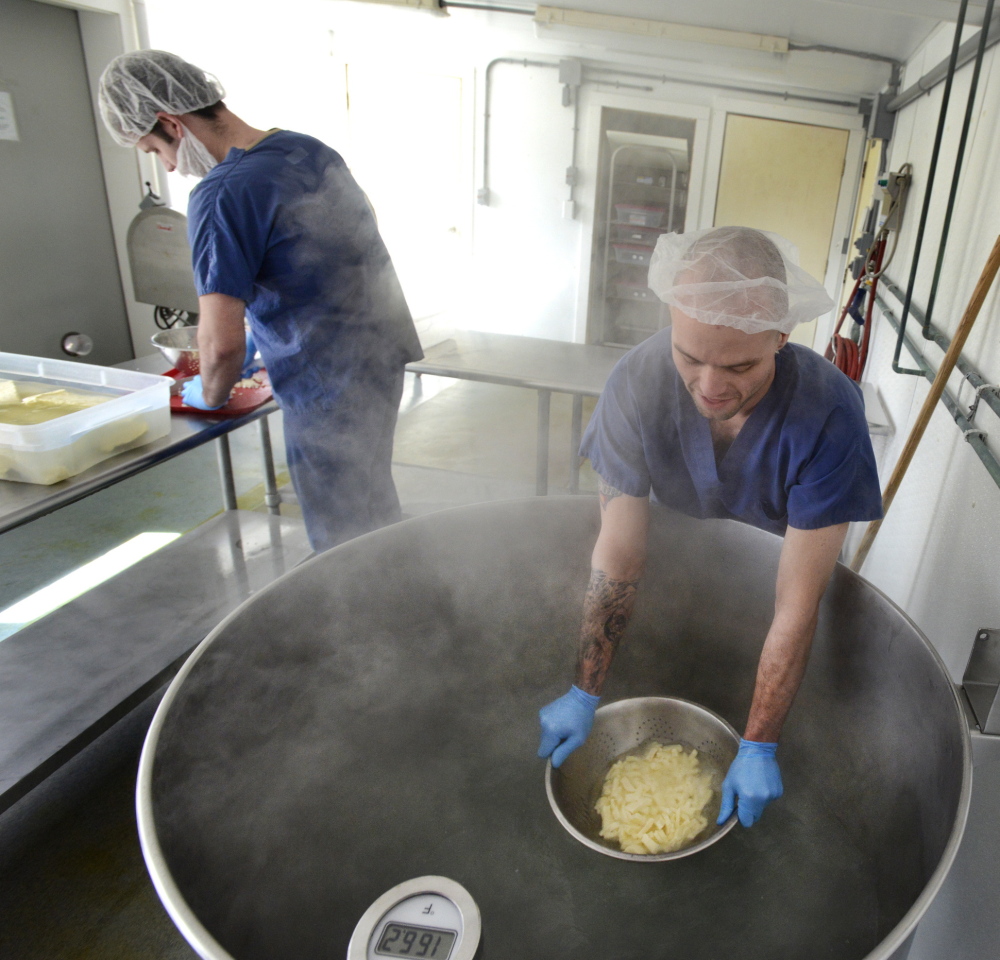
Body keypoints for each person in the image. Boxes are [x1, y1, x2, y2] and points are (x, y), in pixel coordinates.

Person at [537, 226, 883, 828]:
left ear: (781, 335)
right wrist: (585, 689)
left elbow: (796, 607)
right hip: (664, 579)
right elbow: (619, 554)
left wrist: (760, 743)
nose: (710, 386)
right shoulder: (636, 382)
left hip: (771, 597)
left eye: (740, 365)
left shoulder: (829, 414)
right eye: (690, 357)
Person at [98, 50, 423, 552]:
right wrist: (265, 331)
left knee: (341, 532)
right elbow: (334, 253)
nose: (168, 165)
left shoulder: (221, 193)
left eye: (154, 149)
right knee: (370, 502)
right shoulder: (307, 150)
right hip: (379, 356)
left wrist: (209, 392)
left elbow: (219, 347)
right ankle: (402, 585)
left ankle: (365, 598)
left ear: (171, 123)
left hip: (322, 380)